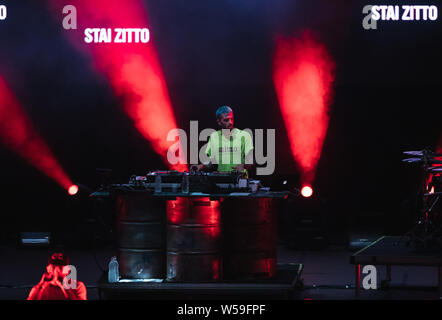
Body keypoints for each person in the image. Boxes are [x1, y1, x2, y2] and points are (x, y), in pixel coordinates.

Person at [192, 106, 254, 177]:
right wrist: (201, 166)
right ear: (219, 122)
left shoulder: (245, 135)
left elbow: (251, 161)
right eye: (226, 120)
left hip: (240, 180)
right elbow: (212, 161)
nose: (230, 122)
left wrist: (243, 166)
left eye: (232, 119)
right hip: (221, 180)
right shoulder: (214, 137)